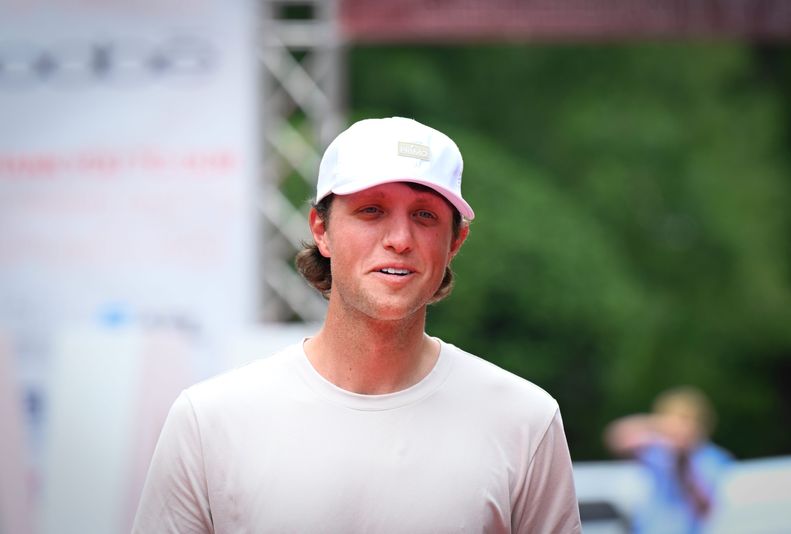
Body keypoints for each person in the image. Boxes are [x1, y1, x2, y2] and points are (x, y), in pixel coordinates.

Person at [132, 117, 581, 533]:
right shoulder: (210, 421)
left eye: (424, 215)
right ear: (321, 230)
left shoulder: (525, 422)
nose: (399, 240)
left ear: (455, 241)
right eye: (371, 210)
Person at [604, 385, 733, 534]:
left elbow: (707, 509)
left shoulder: (713, 458)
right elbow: (616, 438)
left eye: (686, 419)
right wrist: (656, 424)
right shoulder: (658, 451)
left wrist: (684, 464)